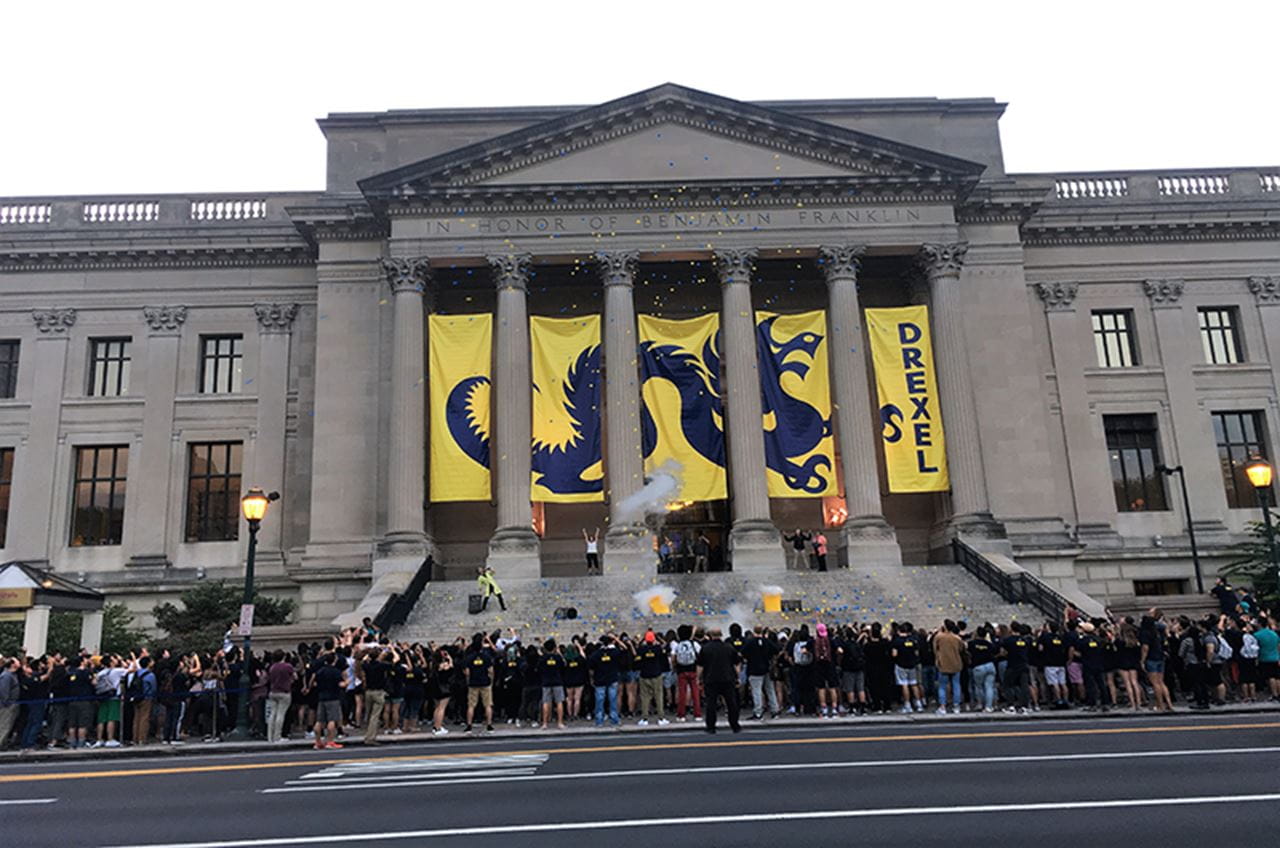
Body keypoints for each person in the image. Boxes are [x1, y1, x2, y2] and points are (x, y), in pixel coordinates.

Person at [697, 628, 742, 734]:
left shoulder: (705, 648)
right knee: (731, 703)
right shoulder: (728, 647)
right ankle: (735, 725)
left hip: (711, 679)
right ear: (721, 635)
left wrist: (698, 679)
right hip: (727, 678)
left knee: (711, 704)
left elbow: (700, 666)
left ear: (710, 635)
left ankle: (711, 727)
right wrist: (737, 676)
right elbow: (737, 663)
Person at [311, 652, 347, 749]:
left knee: (319, 721)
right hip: (333, 697)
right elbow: (341, 684)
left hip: (322, 697)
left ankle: (317, 742)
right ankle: (330, 741)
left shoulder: (320, 671)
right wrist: (347, 682)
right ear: (334, 660)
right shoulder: (336, 672)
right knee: (332, 720)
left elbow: (314, 683)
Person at [744, 626, 780, 720]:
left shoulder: (750, 642)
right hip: (766, 668)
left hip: (754, 669)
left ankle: (758, 712)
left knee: (756, 691)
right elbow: (777, 650)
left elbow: (742, 653)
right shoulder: (767, 641)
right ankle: (775, 710)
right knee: (770, 690)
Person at [463, 633, 496, 733]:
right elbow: (491, 670)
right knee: (488, 705)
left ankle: (469, 725)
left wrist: (468, 680)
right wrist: (491, 680)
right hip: (485, 682)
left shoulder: (469, 657)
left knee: (471, 705)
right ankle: (489, 725)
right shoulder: (486, 657)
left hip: (473, 683)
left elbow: (467, 672)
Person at [588, 634, 622, 727]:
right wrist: (616, 639)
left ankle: (599, 721)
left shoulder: (595, 654)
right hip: (612, 679)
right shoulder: (614, 652)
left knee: (599, 701)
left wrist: (592, 679)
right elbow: (625, 649)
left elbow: (591, 669)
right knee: (613, 700)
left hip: (599, 680)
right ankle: (614, 720)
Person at [635, 631, 668, 725]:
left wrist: (642, 639)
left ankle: (644, 718)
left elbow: (637, 646)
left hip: (644, 675)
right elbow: (665, 644)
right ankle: (661, 718)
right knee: (658, 697)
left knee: (645, 698)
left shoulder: (642, 649)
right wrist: (657, 638)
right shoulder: (657, 648)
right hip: (656, 675)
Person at [932, 621, 965, 714]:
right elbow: (962, 650)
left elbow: (935, 650)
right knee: (956, 685)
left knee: (942, 686)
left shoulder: (939, 637)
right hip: (956, 663)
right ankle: (956, 706)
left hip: (943, 664)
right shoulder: (957, 638)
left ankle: (942, 706)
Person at [890, 622, 923, 713]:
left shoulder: (897, 641)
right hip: (912, 664)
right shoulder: (913, 640)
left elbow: (894, 654)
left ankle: (907, 705)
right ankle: (919, 703)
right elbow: (917, 653)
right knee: (914, 684)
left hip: (901, 664)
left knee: (904, 684)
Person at [361, 648, 392, 744]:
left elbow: (363, 661)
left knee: (369, 715)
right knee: (375, 716)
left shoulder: (367, 665)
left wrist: (369, 655)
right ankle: (370, 738)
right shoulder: (381, 665)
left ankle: (367, 735)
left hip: (368, 692)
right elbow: (395, 660)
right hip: (378, 692)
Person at [671, 624, 702, 720]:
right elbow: (700, 656)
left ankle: (681, 715)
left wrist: (674, 667)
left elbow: (673, 658)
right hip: (693, 670)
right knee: (695, 693)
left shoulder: (677, 645)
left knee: (682, 693)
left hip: (681, 670)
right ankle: (697, 714)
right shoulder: (694, 644)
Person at [265, 651, 295, 743]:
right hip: (284, 692)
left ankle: (270, 737)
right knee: (280, 714)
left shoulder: (272, 667)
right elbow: (294, 677)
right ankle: (277, 736)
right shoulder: (288, 666)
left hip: (273, 691)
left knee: (272, 714)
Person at [0, 657, 21, 749]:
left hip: (12, 703)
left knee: (8, 724)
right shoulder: (6, 676)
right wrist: (7, 702)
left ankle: (3, 742)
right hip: (7, 705)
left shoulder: (13, 675)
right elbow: (4, 691)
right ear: (12, 664)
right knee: (5, 724)